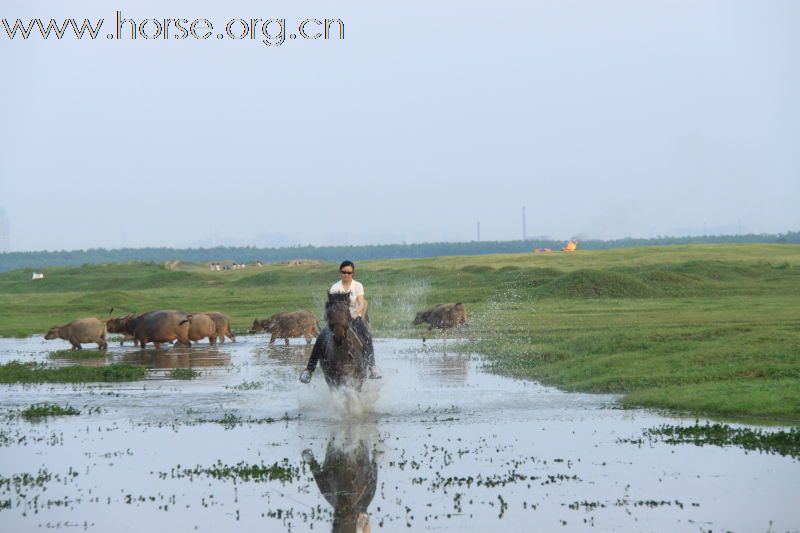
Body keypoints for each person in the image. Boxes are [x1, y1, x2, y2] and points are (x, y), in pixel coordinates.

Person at [300, 260, 381, 383]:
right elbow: (331, 306)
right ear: (340, 273)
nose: (346, 275)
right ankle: (309, 370)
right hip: (337, 320)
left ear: (353, 273)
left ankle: (372, 366)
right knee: (321, 338)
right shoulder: (335, 287)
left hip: (353, 317)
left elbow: (361, 302)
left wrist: (357, 312)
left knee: (367, 336)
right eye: (344, 272)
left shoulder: (358, 286)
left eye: (349, 272)